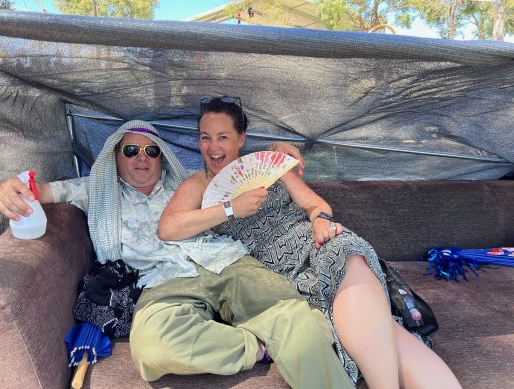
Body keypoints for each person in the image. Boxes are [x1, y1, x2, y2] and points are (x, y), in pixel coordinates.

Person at [0, 119, 354, 388]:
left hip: (226, 261)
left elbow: (240, 165)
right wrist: (8, 187)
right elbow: (35, 191)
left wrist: (278, 145)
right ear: (115, 155)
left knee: (305, 324)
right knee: (152, 349)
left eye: (151, 150)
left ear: (160, 156)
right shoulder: (95, 190)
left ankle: (285, 338)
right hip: (162, 282)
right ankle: (257, 345)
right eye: (131, 150)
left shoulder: (186, 181)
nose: (142, 158)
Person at [158, 97, 463, 389]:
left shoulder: (268, 165)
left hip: (317, 242)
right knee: (388, 332)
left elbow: (315, 205)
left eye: (222, 137)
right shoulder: (198, 184)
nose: (212, 147)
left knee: (348, 257)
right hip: (280, 273)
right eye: (204, 137)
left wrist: (320, 220)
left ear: (241, 139)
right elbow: (169, 228)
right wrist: (229, 209)